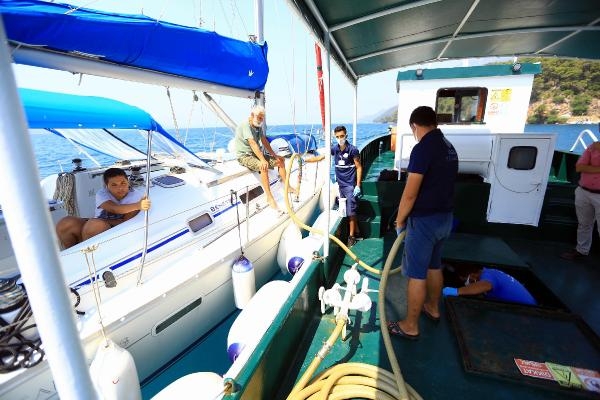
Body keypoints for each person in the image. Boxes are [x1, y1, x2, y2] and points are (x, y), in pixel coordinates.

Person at [388, 106, 458, 340]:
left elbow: (410, 194)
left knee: (417, 274)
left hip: (425, 222)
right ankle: (433, 308)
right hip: (445, 219)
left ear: (415, 126)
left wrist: (399, 221)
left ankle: (410, 325)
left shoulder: (422, 149)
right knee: (434, 266)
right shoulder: (448, 147)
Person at [56, 167, 151, 249]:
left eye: (123, 183)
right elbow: (114, 209)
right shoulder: (102, 194)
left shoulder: (136, 197)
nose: (120, 188)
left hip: (115, 232)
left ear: (128, 182)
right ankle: (73, 252)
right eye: (114, 185)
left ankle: (87, 256)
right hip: (94, 228)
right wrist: (138, 206)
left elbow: (125, 222)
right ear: (107, 186)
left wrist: (94, 221)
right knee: (65, 223)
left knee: (94, 225)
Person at [306, 125, 363, 247]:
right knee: (347, 210)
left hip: (350, 186)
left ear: (346, 135)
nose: (340, 139)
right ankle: (357, 232)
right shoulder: (335, 149)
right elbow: (320, 157)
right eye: (337, 137)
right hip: (340, 185)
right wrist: (304, 160)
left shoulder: (353, 150)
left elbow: (359, 167)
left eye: (342, 136)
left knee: (351, 212)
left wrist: (358, 185)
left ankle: (351, 237)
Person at [234, 105, 290, 210]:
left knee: (280, 161)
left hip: (255, 154)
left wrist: (275, 155)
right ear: (252, 115)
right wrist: (263, 160)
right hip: (244, 156)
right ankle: (269, 197)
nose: (261, 120)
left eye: (262, 118)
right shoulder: (245, 125)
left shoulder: (257, 127)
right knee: (263, 166)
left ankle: (288, 186)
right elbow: (252, 143)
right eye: (259, 118)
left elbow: (264, 141)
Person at [560, 137, 600, 260]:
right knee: (584, 224)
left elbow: (585, 167)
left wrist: (591, 167)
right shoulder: (592, 147)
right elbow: (580, 167)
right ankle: (581, 251)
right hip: (583, 192)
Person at [442, 265, 537, 305]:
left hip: (529, 310)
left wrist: (456, 291)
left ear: (473, 275)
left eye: (466, 280)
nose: (466, 283)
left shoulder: (488, 276)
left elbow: (485, 285)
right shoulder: (491, 272)